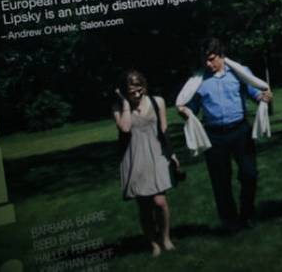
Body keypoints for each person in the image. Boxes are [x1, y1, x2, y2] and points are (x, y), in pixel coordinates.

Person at [176, 38, 272, 232]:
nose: (207, 64)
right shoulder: (198, 81)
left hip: (240, 131)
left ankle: (247, 215)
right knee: (220, 181)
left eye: (211, 59)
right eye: (205, 60)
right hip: (214, 136)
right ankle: (230, 222)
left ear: (221, 55)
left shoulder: (239, 72)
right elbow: (192, 107)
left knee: (249, 174)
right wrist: (184, 111)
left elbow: (256, 93)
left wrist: (265, 97)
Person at [113, 70, 177, 256]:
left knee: (160, 202)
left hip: (156, 155)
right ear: (125, 91)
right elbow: (125, 128)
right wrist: (125, 103)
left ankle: (165, 238)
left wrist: (172, 154)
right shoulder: (118, 107)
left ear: (144, 86)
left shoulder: (158, 102)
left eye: (139, 89)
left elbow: (164, 130)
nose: (137, 94)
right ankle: (153, 243)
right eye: (131, 92)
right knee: (145, 207)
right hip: (134, 159)